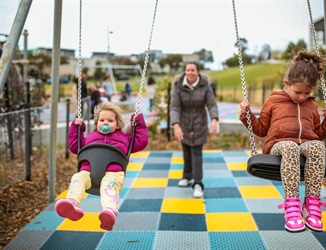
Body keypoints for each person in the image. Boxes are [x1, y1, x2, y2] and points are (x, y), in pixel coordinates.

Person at [239, 50, 326, 232]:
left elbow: (317, 133)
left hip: (307, 144)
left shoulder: (311, 104)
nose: (302, 97)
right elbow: (261, 129)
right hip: (280, 145)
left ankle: (312, 205)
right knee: (290, 147)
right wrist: (247, 115)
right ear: (287, 84)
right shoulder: (275, 100)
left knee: (317, 146)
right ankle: (292, 206)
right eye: (298, 92)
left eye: (307, 93)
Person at [55, 102, 148, 231]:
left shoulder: (125, 137)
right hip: (89, 172)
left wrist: (140, 124)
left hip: (113, 173)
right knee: (78, 178)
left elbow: (141, 141)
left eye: (110, 120)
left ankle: (109, 211)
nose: (105, 123)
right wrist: (76, 128)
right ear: (96, 123)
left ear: (117, 124)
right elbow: (74, 145)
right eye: (102, 120)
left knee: (109, 186)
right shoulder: (90, 137)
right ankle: (72, 203)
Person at [170, 62, 219, 198]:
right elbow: (174, 107)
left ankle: (197, 183)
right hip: (184, 121)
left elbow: (211, 104)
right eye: (188, 70)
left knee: (196, 151)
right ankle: (187, 175)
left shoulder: (205, 85)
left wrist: (214, 119)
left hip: (199, 121)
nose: (190, 72)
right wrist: (176, 125)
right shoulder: (179, 86)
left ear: (198, 72)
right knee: (186, 149)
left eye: (193, 70)